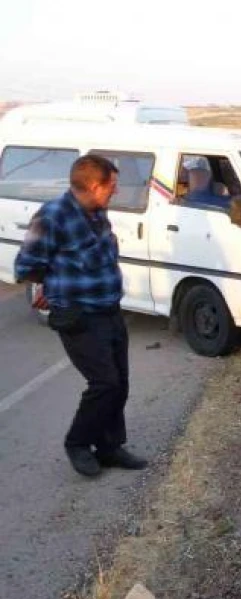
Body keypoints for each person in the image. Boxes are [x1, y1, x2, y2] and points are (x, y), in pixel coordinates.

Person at [14, 154, 147, 477]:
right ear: (92, 185)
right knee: (104, 383)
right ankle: (78, 443)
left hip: (110, 309)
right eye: (111, 186)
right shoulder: (52, 217)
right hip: (79, 316)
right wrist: (52, 285)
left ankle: (109, 448)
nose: (115, 192)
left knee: (121, 384)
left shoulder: (98, 213)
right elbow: (25, 266)